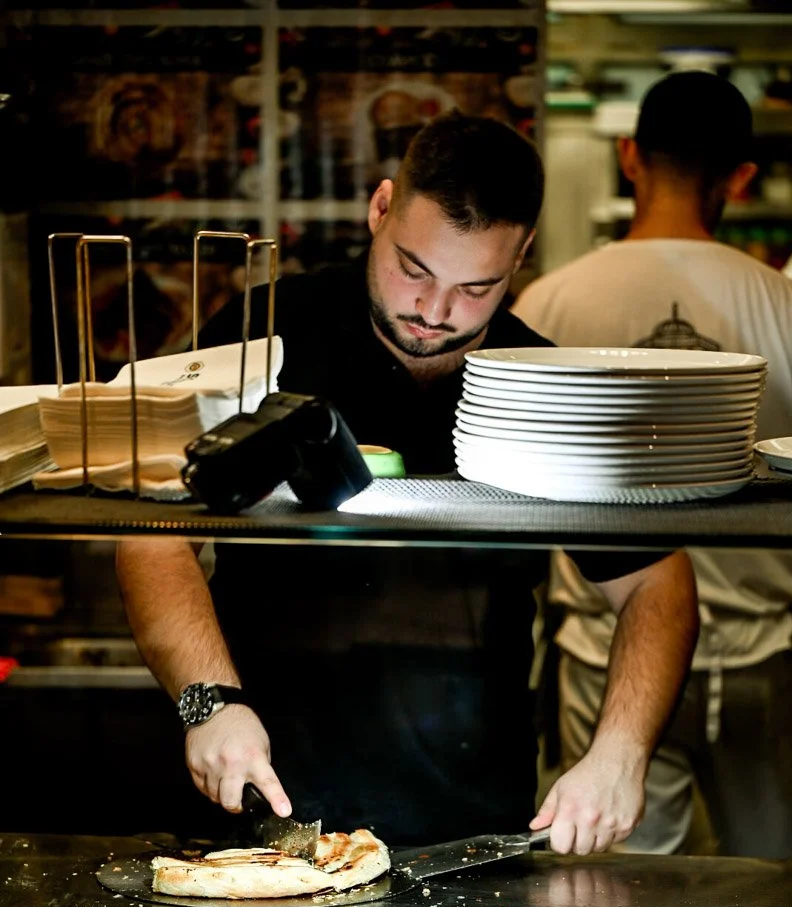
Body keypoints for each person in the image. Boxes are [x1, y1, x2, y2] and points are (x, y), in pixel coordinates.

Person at [116, 109, 699, 854]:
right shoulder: (266, 334)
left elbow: (658, 584)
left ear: (520, 257)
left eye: (475, 288)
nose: (432, 312)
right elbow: (153, 534)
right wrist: (209, 702)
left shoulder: (542, 385)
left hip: (471, 825)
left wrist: (621, 753)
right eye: (413, 269)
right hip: (259, 794)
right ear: (381, 206)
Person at [513, 71, 792, 857]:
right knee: (773, 903)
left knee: (607, 903)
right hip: (758, 657)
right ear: (740, 178)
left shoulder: (545, 305)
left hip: (602, 658)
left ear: (630, 156)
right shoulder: (785, 306)